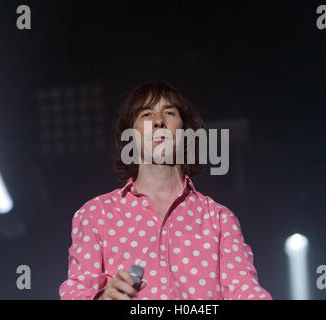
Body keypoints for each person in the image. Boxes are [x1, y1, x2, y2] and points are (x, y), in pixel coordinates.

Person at [59, 83, 272, 300]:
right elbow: (74, 292)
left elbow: (244, 290)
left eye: (169, 113)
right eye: (146, 114)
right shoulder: (96, 215)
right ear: (130, 136)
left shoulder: (219, 220)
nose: (159, 121)